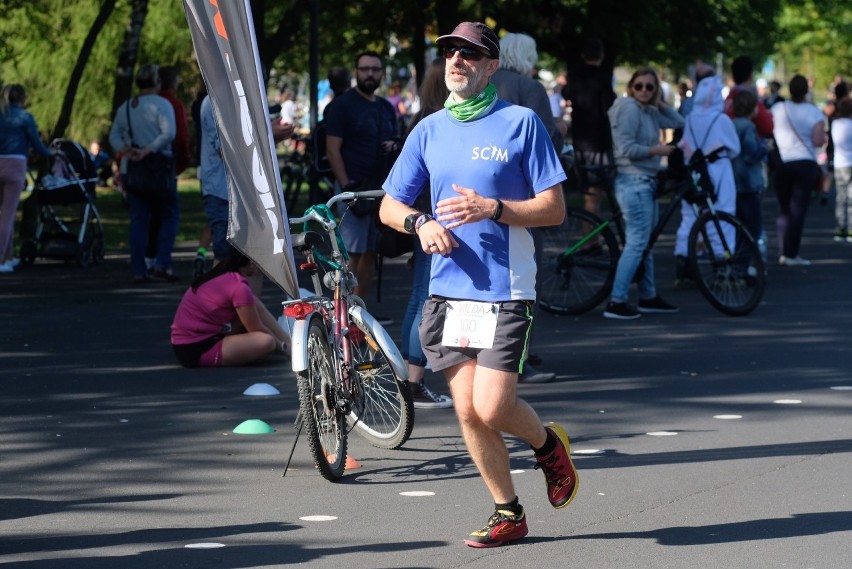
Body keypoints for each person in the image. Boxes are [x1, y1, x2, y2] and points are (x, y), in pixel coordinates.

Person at [379, 21, 578, 548]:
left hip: (506, 288)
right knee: (467, 410)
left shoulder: (521, 123)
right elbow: (389, 204)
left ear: (492, 67)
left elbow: (554, 209)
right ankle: (507, 511)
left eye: (470, 54)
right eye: (450, 52)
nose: (457, 61)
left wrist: (495, 208)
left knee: (492, 407)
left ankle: (546, 446)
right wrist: (420, 224)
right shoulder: (428, 130)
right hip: (449, 291)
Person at [490, 31, 562, 384]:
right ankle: (518, 356)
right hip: (524, 196)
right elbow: (548, 137)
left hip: (480, 193)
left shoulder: (486, 83)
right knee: (525, 279)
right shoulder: (529, 89)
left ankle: (491, 354)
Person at [603, 66, 684, 320]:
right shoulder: (629, 109)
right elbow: (625, 148)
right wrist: (655, 151)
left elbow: (678, 122)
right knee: (637, 243)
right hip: (633, 181)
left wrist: (660, 103)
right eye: (639, 86)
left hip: (644, 181)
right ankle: (617, 301)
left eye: (650, 87)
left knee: (643, 242)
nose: (644, 91)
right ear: (631, 87)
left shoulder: (647, 109)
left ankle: (648, 296)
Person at [397, 58, 453, 409]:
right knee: (425, 298)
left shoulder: (422, 121)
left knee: (420, 296)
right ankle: (413, 380)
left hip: (422, 218)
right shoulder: (438, 124)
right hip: (434, 219)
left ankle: (409, 377)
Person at [324, 50, 399, 305]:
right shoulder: (341, 106)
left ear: (382, 74)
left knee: (370, 252)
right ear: (356, 72)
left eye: (375, 69)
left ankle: (360, 313)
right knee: (349, 255)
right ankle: (341, 313)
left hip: (379, 192)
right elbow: (332, 149)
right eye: (365, 69)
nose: (370, 74)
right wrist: (346, 187)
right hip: (353, 190)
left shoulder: (386, 107)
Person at [108, 63, 178, 283]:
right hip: (159, 169)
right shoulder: (163, 104)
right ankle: (162, 262)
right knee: (169, 214)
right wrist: (148, 150)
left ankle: (139, 269)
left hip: (133, 169)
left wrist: (127, 150)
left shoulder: (128, 106)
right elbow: (169, 133)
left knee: (138, 219)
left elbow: (114, 136)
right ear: (157, 81)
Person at [170, 248, 290, 368]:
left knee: (253, 302)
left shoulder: (223, 275)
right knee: (267, 342)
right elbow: (255, 327)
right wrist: (282, 346)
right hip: (196, 348)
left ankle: (291, 343)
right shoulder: (239, 287)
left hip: (189, 342)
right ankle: (289, 347)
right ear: (252, 264)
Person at [674, 74, 740, 286]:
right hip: (719, 171)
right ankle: (722, 266)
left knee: (689, 216)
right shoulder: (721, 119)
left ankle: (684, 262)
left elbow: (684, 143)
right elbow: (734, 148)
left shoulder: (691, 117)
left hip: (694, 171)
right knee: (722, 215)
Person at [771, 74, 827, 266]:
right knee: (798, 210)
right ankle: (791, 253)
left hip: (783, 162)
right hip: (805, 162)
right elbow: (819, 140)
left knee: (784, 209)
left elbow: (768, 130)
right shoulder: (814, 112)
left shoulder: (778, 108)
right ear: (806, 91)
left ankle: (782, 250)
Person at [0, 84, 52, 273]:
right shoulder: (25, 117)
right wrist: (50, 152)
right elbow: (37, 144)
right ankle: (1, 259)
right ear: (23, 98)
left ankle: (8, 256)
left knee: (5, 214)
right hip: (15, 165)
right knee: (8, 215)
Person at [564, 38, 617, 218]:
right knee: (596, 195)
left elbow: (565, 93)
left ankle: (590, 239)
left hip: (580, 139)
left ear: (583, 55)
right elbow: (608, 105)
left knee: (588, 193)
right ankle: (590, 241)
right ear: (601, 55)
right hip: (599, 140)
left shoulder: (574, 76)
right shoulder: (603, 77)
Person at [731, 89, 767, 250]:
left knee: (738, 226)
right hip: (748, 182)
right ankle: (744, 266)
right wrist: (765, 148)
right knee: (752, 227)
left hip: (734, 180)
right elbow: (750, 155)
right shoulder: (748, 127)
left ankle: (739, 265)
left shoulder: (731, 124)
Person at [725, 56, 774, 139]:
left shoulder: (726, 101)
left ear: (733, 77)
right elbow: (768, 127)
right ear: (751, 75)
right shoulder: (751, 100)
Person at [831, 97, 852, 242]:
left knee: (841, 197)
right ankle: (851, 228)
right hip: (850, 162)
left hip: (839, 163)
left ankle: (840, 227)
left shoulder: (835, 124)